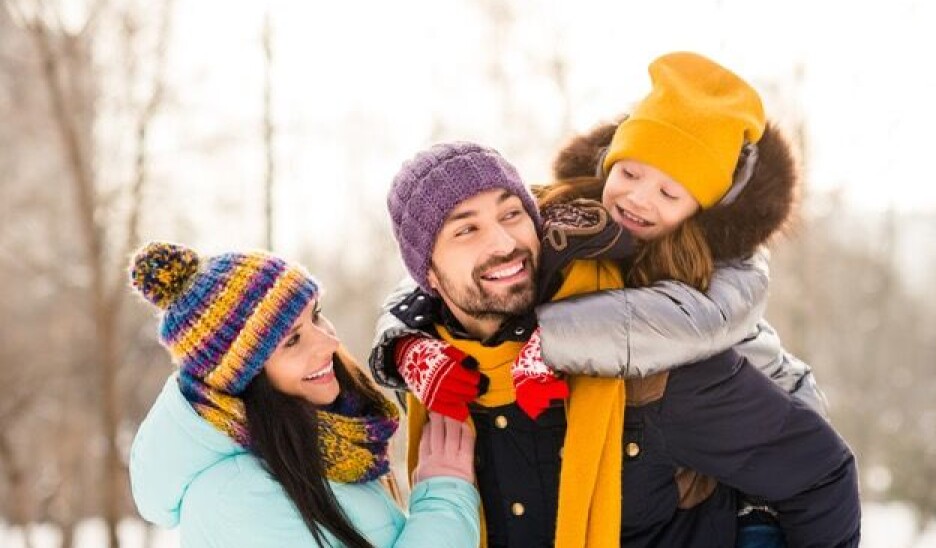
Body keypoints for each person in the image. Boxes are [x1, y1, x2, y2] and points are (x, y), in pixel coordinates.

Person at [373, 139, 860, 545]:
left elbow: (821, 475)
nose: (503, 243)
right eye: (466, 230)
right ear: (427, 274)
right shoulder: (434, 384)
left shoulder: (647, 360)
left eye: (513, 214)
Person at [127, 242, 480, 547]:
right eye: (292, 341)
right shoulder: (237, 500)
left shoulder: (313, 450)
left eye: (317, 316)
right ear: (243, 379)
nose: (329, 341)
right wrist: (444, 501)